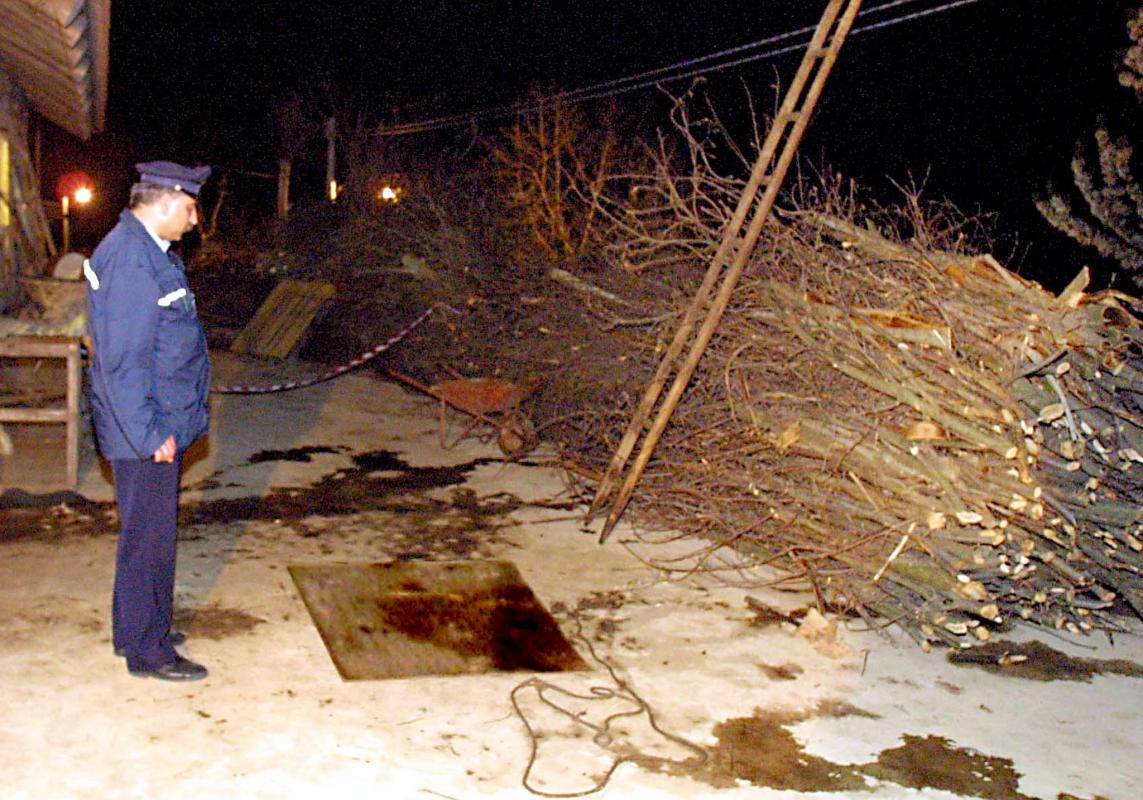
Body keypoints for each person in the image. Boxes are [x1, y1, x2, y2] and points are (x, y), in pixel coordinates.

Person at [85, 161, 213, 681]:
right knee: (149, 538)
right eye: (189, 207)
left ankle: (140, 624)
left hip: (157, 420)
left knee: (148, 532)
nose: (195, 219)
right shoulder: (132, 260)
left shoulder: (147, 250)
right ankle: (147, 650)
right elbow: (122, 360)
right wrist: (149, 434)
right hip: (146, 428)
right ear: (163, 203)